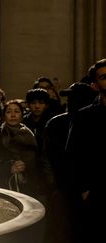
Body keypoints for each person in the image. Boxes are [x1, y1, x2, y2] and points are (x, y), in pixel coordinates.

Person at [42, 82, 97, 243]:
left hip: (82, 189)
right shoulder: (56, 123)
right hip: (62, 188)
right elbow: (47, 157)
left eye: (73, 99)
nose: (69, 102)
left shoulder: (90, 123)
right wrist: (53, 185)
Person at [65, 58, 106, 242]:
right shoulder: (84, 116)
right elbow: (73, 155)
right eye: (104, 77)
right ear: (95, 84)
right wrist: (84, 189)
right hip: (97, 193)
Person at [0, 100, 42, 199]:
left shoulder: (30, 136)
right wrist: (9, 167)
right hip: (3, 186)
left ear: (22, 115)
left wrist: (25, 165)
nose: (13, 115)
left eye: (17, 111)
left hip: (28, 187)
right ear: (4, 116)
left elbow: (37, 162)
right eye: (9, 112)